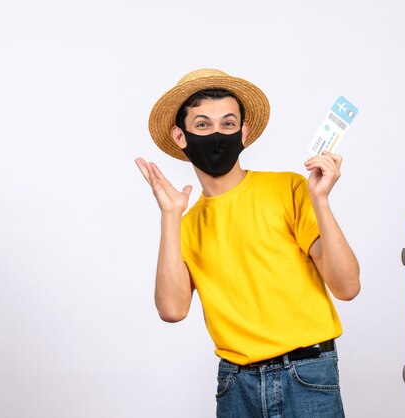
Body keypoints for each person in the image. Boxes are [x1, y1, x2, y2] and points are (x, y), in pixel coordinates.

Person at [136, 68, 360, 418]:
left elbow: (347, 286)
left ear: (244, 132)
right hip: (235, 384)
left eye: (227, 124)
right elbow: (172, 310)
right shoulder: (186, 223)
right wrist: (169, 217)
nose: (217, 135)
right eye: (203, 125)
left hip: (307, 374)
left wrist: (322, 201)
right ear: (181, 136)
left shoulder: (289, 189)